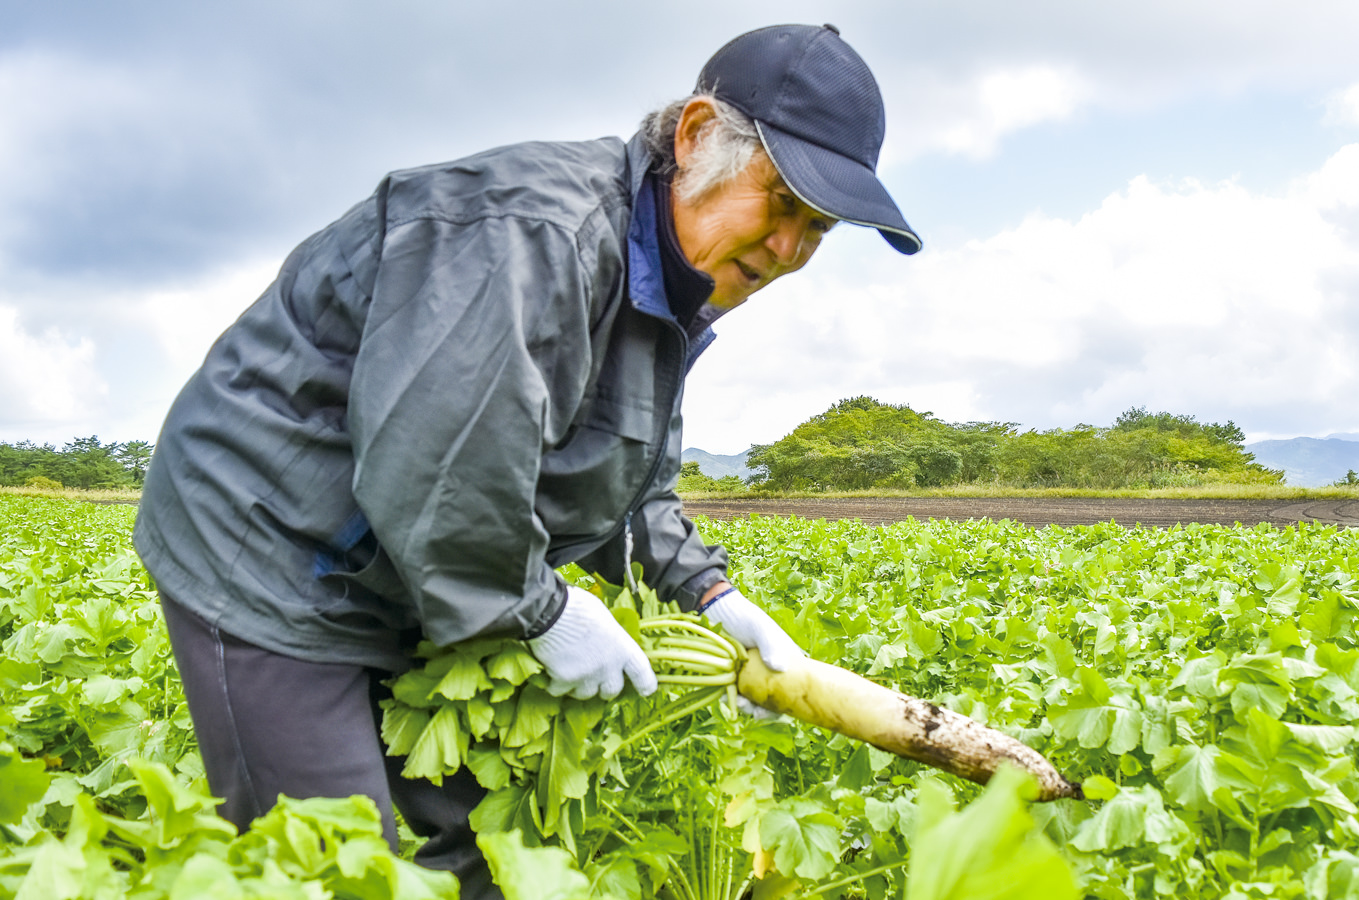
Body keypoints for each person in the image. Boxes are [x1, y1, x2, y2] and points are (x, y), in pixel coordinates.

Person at [134, 22, 919, 897]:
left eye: (818, 229)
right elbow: (439, 456)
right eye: (781, 204)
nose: (789, 252)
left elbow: (631, 466)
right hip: (270, 547)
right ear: (696, 137)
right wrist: (538, 612)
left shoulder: (669, 285)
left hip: (404, 564)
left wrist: (708, 591)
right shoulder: (530, 235)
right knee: (332, 859)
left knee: (474, 839)